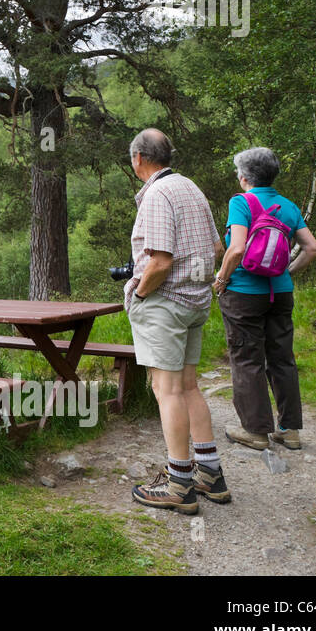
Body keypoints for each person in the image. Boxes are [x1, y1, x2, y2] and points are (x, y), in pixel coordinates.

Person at [124, 129, 228, 514]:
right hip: (196, 301)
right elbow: (217, 247)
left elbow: (161, 261)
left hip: (166, 302)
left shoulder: (156, 194)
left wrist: (139, 294)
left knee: (165, 390)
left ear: (138, 158)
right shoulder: (190, 188)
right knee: (188, 387)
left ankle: (178, 483)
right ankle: (210, 475)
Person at [213, 147, 316, 451]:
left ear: (245, 177)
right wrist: (286, 271)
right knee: (282, 359)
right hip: (281, 292)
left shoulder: (241, 202)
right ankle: (290, 430)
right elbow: (312, 249)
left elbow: (236, 249)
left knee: (247, 360)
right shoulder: (288, 206)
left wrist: (221, 280)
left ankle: (257, 432)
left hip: (244, 295)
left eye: (238, 172)